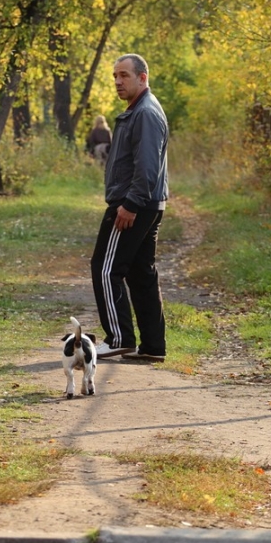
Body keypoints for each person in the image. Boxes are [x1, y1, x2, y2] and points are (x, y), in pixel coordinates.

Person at [90, 53, 168, 362]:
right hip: (146, 202)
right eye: (115, 77)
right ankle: (152, 347)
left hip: (134, 204)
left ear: (142, 77)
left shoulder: (145, 113)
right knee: (140, 273)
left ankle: (119, 338)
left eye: (124, 75)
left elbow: (146, 165)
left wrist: (131, 204)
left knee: (106, 268)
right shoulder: (138, 110)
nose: (118, 82)